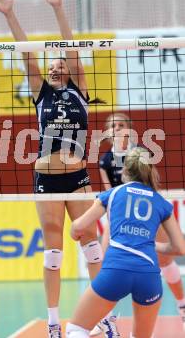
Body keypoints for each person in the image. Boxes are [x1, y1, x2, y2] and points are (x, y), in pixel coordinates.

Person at [0, 0, 118, 338]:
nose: (58, 66)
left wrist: (58, 8)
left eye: (63, 63)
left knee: (91, 244)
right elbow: (27, 53)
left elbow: (74, 49)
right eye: (54, 64)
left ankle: (105, 318)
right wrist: (10, 13)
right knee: (53, 251)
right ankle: (52, 322)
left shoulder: (80, 90)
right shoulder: (41, 92)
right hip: (46, 178)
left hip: (77, 178)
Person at [66, 147, 185, 338]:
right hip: (148, 276)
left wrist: (74, 233)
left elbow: (78, 226)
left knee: (76, 329)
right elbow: (180, 248)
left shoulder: (112, 194)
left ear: (125, 171)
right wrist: (153, 245)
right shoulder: (161, 202)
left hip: (116, 271)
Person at [96, 113, 185, 333]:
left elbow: (151, 180)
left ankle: (182, 305)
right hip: (119, 212)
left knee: (165, 260)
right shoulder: (105, 160)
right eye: (112, 126)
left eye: (121, 125)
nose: (116, 129)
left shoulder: (139, 153)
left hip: (145, 209)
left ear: (129, 129)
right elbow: (108, 194)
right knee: (104, 261)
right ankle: (106, 319)